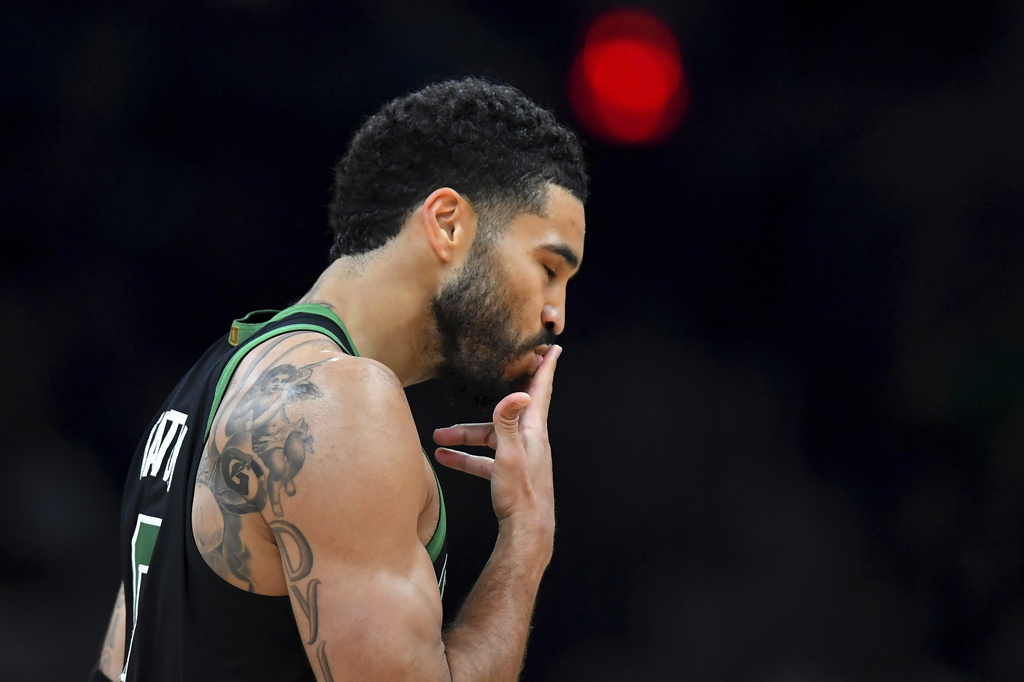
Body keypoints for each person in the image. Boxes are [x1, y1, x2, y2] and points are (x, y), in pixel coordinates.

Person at [93, 77, 588, 681]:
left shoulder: (205, 387)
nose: (556, 315)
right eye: (548, 268)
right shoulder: (338, 405)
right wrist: (528, 536)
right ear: (449, 224)